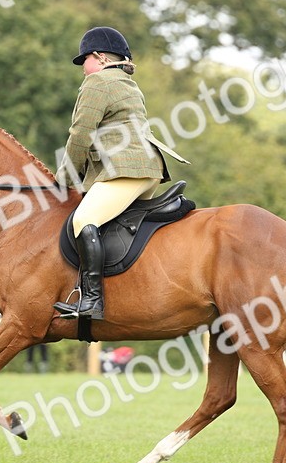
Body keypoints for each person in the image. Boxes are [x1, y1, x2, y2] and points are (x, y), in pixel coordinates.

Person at [53, 26, 188, 319]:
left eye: (85, 60)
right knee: (104, 223)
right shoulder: (128, 84)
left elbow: (80, 135)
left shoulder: (98, 82)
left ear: (100, 58)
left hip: (125, 169)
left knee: (85, 219)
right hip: (148, 168)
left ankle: (92, 301)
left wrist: (63, 179)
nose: (83, 69)